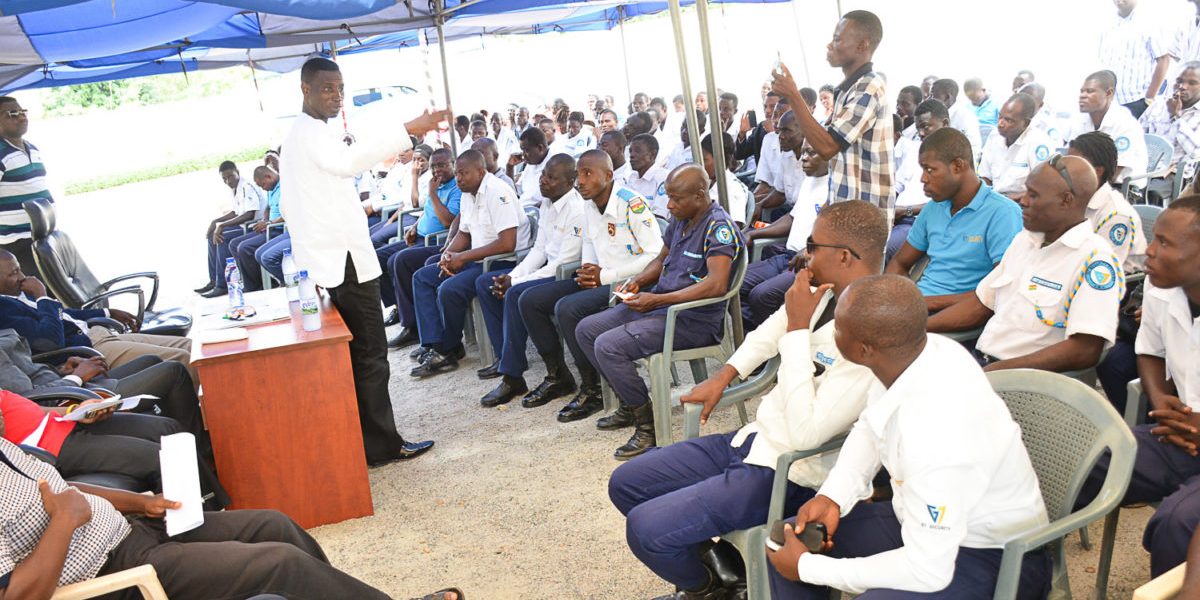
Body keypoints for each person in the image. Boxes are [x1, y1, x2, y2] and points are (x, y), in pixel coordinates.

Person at [609, 200, 886, 600]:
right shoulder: (824, 294)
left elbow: (807, 435)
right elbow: (769, 333)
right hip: (754, 440)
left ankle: (703, 588)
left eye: (813, 245)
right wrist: (723, 375)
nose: (805, 255)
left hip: (791, 472)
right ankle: (727, 579)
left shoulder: (872, 329)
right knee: (627, 484)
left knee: (646, 529)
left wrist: (797, 330)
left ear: (844, 256)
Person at [764, 275, 1050, 599]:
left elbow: (927, 571)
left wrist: (808, 569)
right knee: (784, 543)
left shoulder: (938, 434)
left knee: (807, 565)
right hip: (920, 522)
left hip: (994, 556)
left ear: (863, 349)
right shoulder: (915, 354)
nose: (832, 332)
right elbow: (870, 428)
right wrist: (833, 497)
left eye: (837, 328)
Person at [0, 436, 464, 600]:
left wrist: (141, 503)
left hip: (133, 529)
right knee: (278, 563)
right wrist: (65, 522)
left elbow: (63, 488)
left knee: (273, 524)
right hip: (114, 573)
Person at [279, 57, 439, 467]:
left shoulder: (307, 132)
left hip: (331, 259)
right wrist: (408, 129)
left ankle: (366, 440)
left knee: (359, 356)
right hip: (342, 260)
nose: (337, 96)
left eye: (340, 88)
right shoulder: (309, 132)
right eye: (327, 88)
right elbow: (350, 163)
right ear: (305, 89)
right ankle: (382, 446)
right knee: (371, 355)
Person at [577, 164, 745, 460]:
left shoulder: (718, 227)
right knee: (587, 330)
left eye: (676, 199)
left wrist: (658, 300)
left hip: (693, 319)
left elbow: (717, 285)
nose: (669, 205)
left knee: (609, 346)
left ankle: (647, 427)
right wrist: (639, 281)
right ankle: (630, 403)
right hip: (662, 306)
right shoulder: (682, 218)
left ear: (700, 195)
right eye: (668, 197)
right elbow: (661, 259)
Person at [1074, 195, 1200, 580]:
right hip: (1179, 437)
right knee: (1077, 460)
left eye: (1164, 242)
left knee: (1177, 523)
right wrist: (1161, 402)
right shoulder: (1161, 288)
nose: (1149, 250)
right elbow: (1148, 352)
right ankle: (1029, 563)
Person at [928, 155, 1124, 374]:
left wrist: (996, 372)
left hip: (1024, 382)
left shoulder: (1095, 260)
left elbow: (1085, 350)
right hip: (983, 363)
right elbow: (980, 304)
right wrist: (918, 327)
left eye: (1033, 195)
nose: (1023, 200)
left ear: (1066, 201)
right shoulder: (1025, 240)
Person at [518, 150, 664, 422]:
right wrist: (588, 270)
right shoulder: (589, 203)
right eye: (578, 175)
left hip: (632, 285)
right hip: (602, 279)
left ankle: (593, 388)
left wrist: (604, 276)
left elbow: (655, 257)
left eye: (588, 174)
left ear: (608, 175)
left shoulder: (631, 203)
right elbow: (589, 241)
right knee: (530, 300)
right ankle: (558, 376)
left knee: (568, 309)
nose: (580, 181)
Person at [476, 154, 585, 406]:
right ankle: (506, 359)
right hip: (551, 271)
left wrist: (516, 283)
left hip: (571, 276)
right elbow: (539, 251)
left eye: (551, 177)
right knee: (488, 282)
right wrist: (512, 276)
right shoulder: (548, 203)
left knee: (518, 294)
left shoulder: (577, 210)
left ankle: (527, 375)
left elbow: (562, 264)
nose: (543, 180)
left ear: (570, 182)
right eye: (543, 174)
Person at [1, 389, 228, 510]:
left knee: (168, 428)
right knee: (161, 457)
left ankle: (216, 506)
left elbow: (18, 407)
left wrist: (75, 410)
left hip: (62, 423)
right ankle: (198, 527)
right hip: (44, 449)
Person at [409, 150, 529, 376]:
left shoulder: (497, 191)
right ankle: (436, 344)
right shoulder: (468, 193)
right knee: (423, 277)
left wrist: (463, 257)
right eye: (457, 174)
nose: (459, 179)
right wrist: (449, 254)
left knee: (449, 290)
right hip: (478, 259)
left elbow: (507, 244)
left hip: (501, 262)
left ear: (481, 172)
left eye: (464, 173)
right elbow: (464, 233)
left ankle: (448, 349)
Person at [0, 251, 198, 380]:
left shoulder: (17, 292)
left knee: (190, 346)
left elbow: (63, 315)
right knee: (182, 358)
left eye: (19, 269)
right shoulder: (4, 310)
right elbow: (50, 341)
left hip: (98, 334)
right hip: (89, 349)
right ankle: (209, 423)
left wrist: (107, 312)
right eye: (13, 273)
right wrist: (42, 296)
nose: (22, 277)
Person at [886, 127, 1023, 313]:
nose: (923, 178)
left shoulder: (1003, 213)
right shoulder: (933, 208)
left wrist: (923, 307)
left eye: (930, 169)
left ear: (958, 166)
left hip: (961, 315)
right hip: (918, 308)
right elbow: (899, 263)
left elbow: (996, 294)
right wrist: (900, 300)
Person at [771, 10, 894, 210]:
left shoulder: (869, 87)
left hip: (865, 215)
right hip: (846, 210)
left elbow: (827, 147)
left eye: (837, 40)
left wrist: (793, 95)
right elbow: (841, 161)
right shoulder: (848, 89)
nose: (829, 45)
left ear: (862, 45)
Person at [741, 139, 830, 329]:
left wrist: (810, 250)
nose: (803, 158)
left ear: (828, 155)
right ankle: (755, 335)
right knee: (736, 282)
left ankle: (772, 338)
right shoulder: (808, 182)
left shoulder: (834, 189)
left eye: (811, 153)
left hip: (808, 263)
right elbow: (791, 218)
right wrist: (754, 233)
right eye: (803, 152)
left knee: (761, 295)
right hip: (787, 257)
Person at [382, 148, 463, 349]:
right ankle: (402, 309)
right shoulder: (436, 184)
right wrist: (414, 227)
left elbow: (447, 221)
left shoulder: (455, 187)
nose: (437, 170)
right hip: (419, 236)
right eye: (434, 166)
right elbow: (426, 212)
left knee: (400, 260)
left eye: (442, 165)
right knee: (382, 257)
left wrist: (433, 193)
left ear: (453, 164)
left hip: (435, 241)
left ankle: (412, 326)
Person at [1068, 131, 1148, 273]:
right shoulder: (1073, 197)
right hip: (1074, 268)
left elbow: (1102, 266)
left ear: (1097, 171)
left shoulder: (1117, 214)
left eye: (1073, 166)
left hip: (1111, 278)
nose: (1065, 170)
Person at [0, 97, 52, 281]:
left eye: (23, 112)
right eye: (12, 114)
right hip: (16, 243)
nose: (22, 117)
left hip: (41, 237)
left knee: (55, 290)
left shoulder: (32, 148)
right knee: (39, 292)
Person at [889, 98, 949, 256]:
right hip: (896, 218)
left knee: (884, 249)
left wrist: (905, 211)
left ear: (945, 124)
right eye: (918, 129)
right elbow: (896, 186)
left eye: (926, 126)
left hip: (919, 222)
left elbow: (946, 204)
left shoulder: (954, 157)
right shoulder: (914, 150)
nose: (921, 133)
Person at [1068, 70, 1149, 180]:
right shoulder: (1081, 120)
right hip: (1089, 180)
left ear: (1108, 93)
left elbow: (1114, 173)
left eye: (1090, 91)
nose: (1082, 96)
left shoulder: (1126, 124)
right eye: (1082, 91)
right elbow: (1071, 159)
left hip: (1122, 186)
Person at [197, 161, 262, 298]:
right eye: (224, 179)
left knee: (223, 236)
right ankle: (214, 280)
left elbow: (249, 214)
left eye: (230, 176)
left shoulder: (247, 186)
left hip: (253, 226)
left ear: (237, 172)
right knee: (212, 235)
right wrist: (216, 222)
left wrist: (222, 226)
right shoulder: (235, 188)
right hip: (244, 225)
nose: (228, 181)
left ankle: (222, 285)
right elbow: (235, 212)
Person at [1098, 0, 1171, 119]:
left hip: (1138, 101)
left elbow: (1164, 60)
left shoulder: (1150, 21)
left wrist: (1149, 99)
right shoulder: (1107, 23)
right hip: (1111, 103)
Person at [978, 93, 1055, 200]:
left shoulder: (1039, 142)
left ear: (1026, 123)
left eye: (1008, 120)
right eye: (1000, 117)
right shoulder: (994, 136)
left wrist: (1006, 201)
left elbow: (1043, 187)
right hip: (995, 199)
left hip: (1022, 203)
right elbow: (985, 177)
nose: (1000, 123)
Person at [1141, 60, 1200, 192]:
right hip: (1144, 166)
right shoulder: (1159, 104)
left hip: (1174, 173)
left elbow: (1197, 152)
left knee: (1151, 192)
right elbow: (1137, 134)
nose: (1182, 86)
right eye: (1179, 81)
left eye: (1192, 83)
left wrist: (1177, 116)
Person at [225, 165, 283, 293]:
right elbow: (268, 207)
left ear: (269, 176)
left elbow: (289, 214)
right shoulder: (271, 188)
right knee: (234, 244)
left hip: (278, 229)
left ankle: (256, 287)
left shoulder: (285, 186)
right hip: (269, 227)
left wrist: (269, 223)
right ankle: (253, 282)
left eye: (263, 185)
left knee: (245, 247)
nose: (263, 188)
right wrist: (264, 220)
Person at [752, 110, 803, 224]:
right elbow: (780, 192)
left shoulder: (815, 161)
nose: (781, 137)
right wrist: (760, 204)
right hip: (791, 213)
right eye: (780, 131)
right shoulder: (786, 155)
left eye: (787, 131)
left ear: (804, 131)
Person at [700, 132, 750, 226]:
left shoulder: (733, 189)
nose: (700, 164)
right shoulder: (706, 182)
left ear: (719, 159)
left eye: (704, 160)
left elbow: (733, 227)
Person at [929, 78, 983, 162]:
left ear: (947, 97)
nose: (929, 99)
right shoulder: (936, 114)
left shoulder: (965, 117)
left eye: (933, 95)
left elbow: (972, 150)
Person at [509, 126, 551, 210]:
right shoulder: (532, 163)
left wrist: (542, 206)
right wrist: (510, 167)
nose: (523, 155)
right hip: (521, 209)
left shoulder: (555, 164)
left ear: (540, 148)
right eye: (522, 151)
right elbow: (514, 192)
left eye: (527, 150)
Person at [624, 134, 668, 207]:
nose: (631, 155)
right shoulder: (632, 177)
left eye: (638, 151)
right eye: (630, 151)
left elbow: (660, 212)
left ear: (652, 155)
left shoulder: (663, 178)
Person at [963, 77, 999, 142]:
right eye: (971, 99)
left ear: (983, 90)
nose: (973, 102)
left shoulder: (997, 104)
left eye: (976, 98)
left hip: (991, 142)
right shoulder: (966, 107)